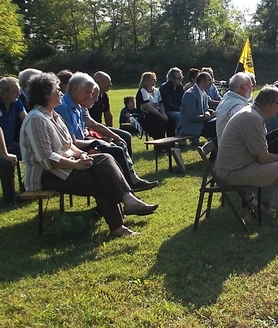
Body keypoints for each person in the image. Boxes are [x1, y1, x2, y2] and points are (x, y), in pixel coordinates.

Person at [20, 72, 158, 238]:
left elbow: (69, 145)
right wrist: (76, 164)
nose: (61, 93)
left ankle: (127, 203)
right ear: (46, 94)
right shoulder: (36, 119)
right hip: (46, 175)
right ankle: (119, 224)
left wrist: (81, 156)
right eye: (57, 89)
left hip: (65, 167)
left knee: (105, 157)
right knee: (100, 182)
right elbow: (47, 159)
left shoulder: (53, 115)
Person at [215, 86, 278, 235]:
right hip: (232, 173)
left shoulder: (252, 114)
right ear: (271, 104)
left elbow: (263, 153)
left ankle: (271, 206)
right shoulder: (252, 118)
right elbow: (263, 158)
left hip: (235, 167)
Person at [57, 73, 157, 191]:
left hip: (84, 141)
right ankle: (129, 187)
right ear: (75, 89)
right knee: (116, 149)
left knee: (120, 141)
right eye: (87, 92)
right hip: (75, 149)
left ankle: (131, 179)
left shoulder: (77, 104)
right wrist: (99, 142)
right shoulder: (64, 107)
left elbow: (91, 126)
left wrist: (108, 138)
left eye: (91, 93)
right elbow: (72, 142)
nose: (90, 96)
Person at [215, 72, 255, 141]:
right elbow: (249, 132)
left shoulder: (228, 99)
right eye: (250, 86)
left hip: (228, 146)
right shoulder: (237, 107)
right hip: (235, 149)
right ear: (242, 88)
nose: (252, 89)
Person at [179, 72, 218, 140]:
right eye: (209, 80)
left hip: (202, 124)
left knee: (220, 123)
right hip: (191, 127)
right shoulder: (190, 94)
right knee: (217, 127)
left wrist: (209, 113)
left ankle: (214, 149)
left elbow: (206, 109)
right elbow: (191, 117)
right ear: (202, 81)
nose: (211, 82)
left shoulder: (204, 93)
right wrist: (206, 117)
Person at [136, 72, 168, 140]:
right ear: (147, 80)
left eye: (155, 79)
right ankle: (159, 143)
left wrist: (164, 113)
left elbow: (161, 103)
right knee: (158, 120)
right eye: (153, 79)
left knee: (169, 118)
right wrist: (160, 114)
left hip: (157, 112)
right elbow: (147, 106)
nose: (155, 81)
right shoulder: (142, 91)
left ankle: (169, 141)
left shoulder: (156, 91)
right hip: (146, 115)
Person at [159, 67, 185, 135]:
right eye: (179, 78)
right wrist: (179, 109)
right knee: (179, 115)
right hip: (168, 110)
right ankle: (180, 137)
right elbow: (167, 104)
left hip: (177, 109)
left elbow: (183, 100)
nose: (181, 80)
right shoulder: (164, 88)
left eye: (181, 77)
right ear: (172, 79)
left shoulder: (179, 87)